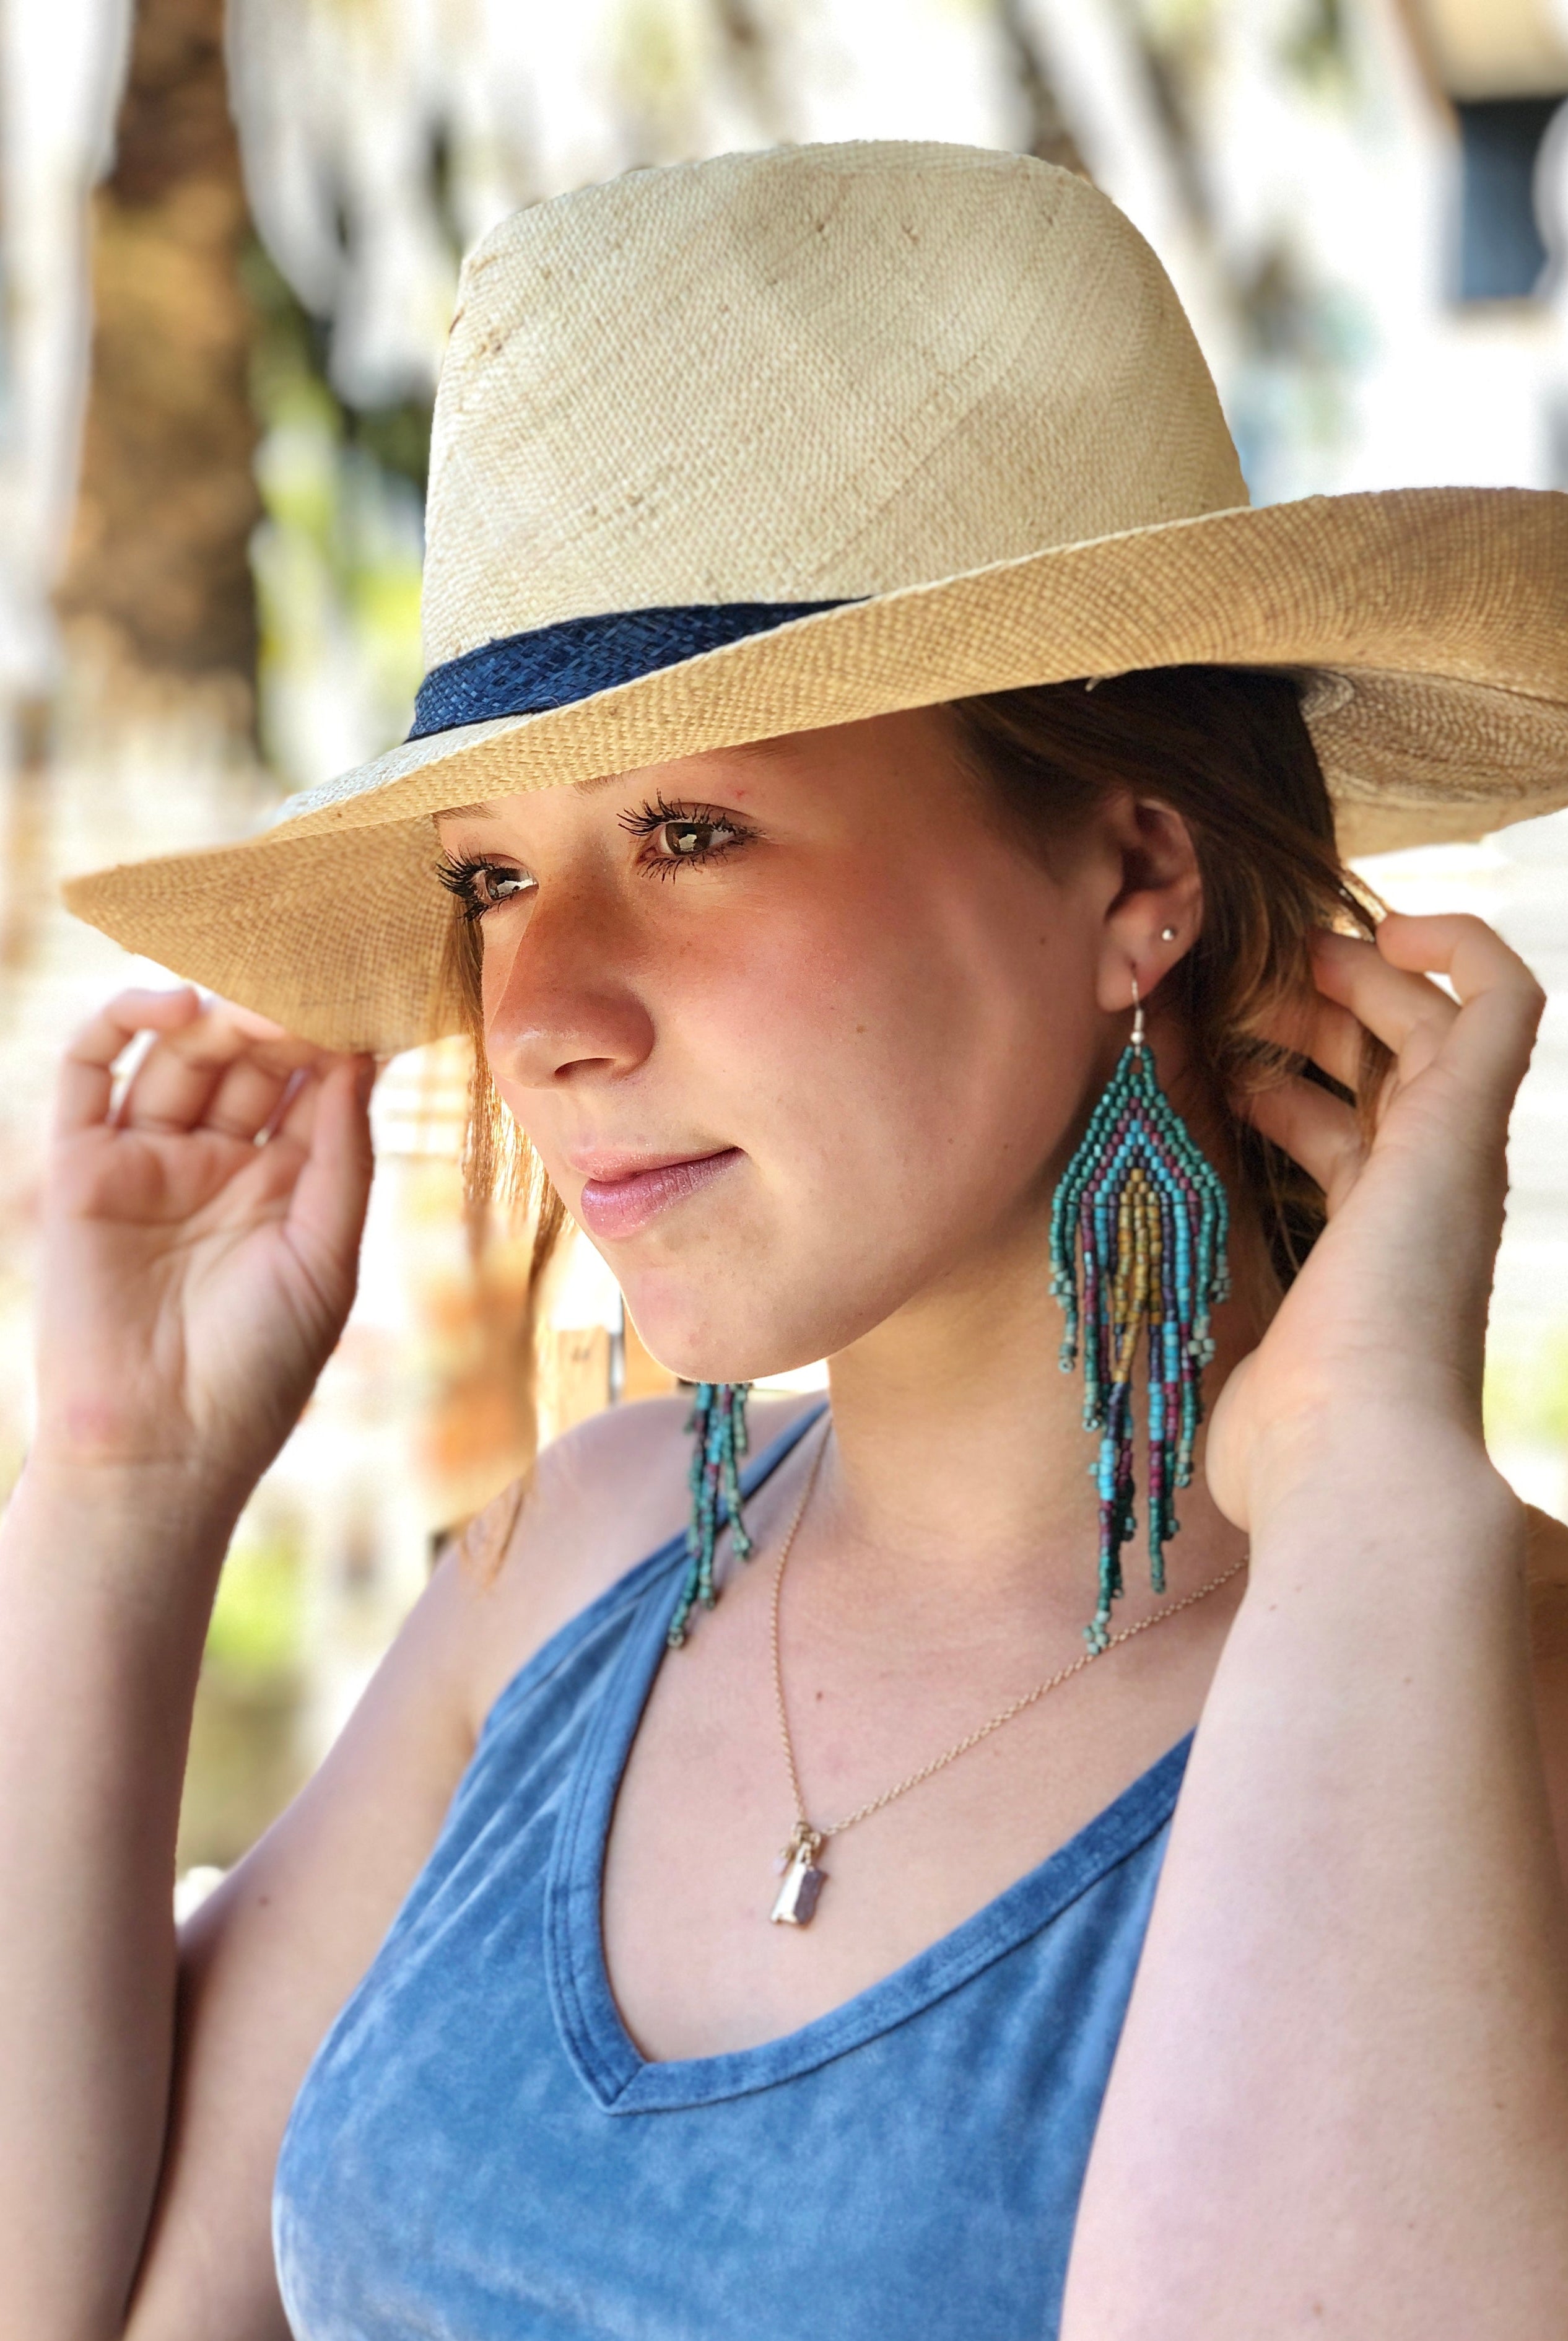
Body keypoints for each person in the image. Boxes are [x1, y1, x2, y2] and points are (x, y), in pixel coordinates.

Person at [6, 141, 1568, 2340]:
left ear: (1135, 869)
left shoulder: (1475, 1694)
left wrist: (1369, 1496)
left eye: (690, 828)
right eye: (488, 879)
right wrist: (117, 1484)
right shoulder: (577, 1568)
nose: (540, 1013)